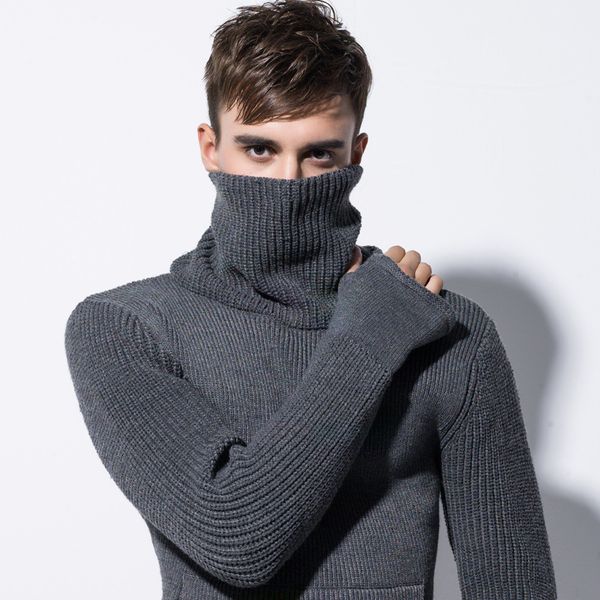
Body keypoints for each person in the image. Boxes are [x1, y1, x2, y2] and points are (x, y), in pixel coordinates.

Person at [64, 1, 558, 598]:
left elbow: (513, 585)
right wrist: (369, 336)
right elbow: (238, 538)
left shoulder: (448, 332)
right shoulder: (126, 329)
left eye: (319, 153)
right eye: (259, 149)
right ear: (210, 148)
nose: (288, 183)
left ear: (356, 152)